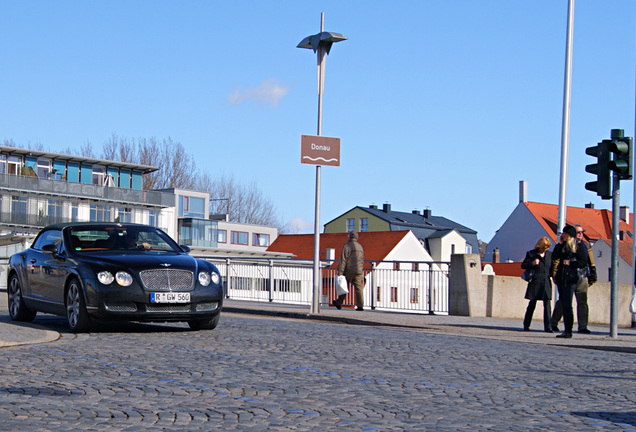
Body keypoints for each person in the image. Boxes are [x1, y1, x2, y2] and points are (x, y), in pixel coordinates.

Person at [550, 224, 597, 334]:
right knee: (564, 302)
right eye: (578, 232)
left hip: (581, 276)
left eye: (582, 232)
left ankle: (582, 326)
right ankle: (554, 322)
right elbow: (555, 258)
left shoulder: (584, 246)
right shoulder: (563, 246)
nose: (580, 234)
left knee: (582, 301)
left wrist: (592, 276)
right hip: (565, 277)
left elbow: (589, 262)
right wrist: (554, 274)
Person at [521, 236, 553, 332]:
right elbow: (523, 265)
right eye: (543, 247)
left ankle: (548, 327)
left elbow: (552, 268)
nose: (545, 249)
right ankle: (526, 324)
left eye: (546, 248)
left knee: (547, 305)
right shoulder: (531, 254)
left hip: (546, 281)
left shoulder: (549, 255)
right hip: (535, 281)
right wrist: (532, 263)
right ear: (539, 246)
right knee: (532, 304)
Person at [332, 230, 365, 311]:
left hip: (348, 270)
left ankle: (339, 302)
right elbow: (362, 259)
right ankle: (360, 305)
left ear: (349, 236)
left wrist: (340, 272)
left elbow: (343, 260)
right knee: (359, 288)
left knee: (343, 286)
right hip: (358, 271)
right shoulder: (360, 247)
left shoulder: (347, 246)